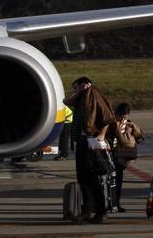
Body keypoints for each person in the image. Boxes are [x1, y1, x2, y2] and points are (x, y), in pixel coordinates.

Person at [62, 76, 117, 224]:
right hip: (81, 142)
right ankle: (87, 210)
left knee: (92, 178)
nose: (74, 91)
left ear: (85, 85)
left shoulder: (94, 95)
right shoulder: (81, 98)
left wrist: (101, 136)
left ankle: (100, 212)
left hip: (90, 141)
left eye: (76, 87)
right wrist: (79, 92)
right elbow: (66, 102)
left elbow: (108, 117)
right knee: (82, 178)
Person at [113, 102, 144, 213]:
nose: (123, 118)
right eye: (121, 115)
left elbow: (140, 139)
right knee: (110, 181)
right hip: (110, 155)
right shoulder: (111, 123)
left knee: (118, 181)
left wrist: (131, 132)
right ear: (116, 114)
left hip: (120, 157)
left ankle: (116, 203)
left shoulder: (130, 125)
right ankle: (110, 203)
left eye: (126, 116)